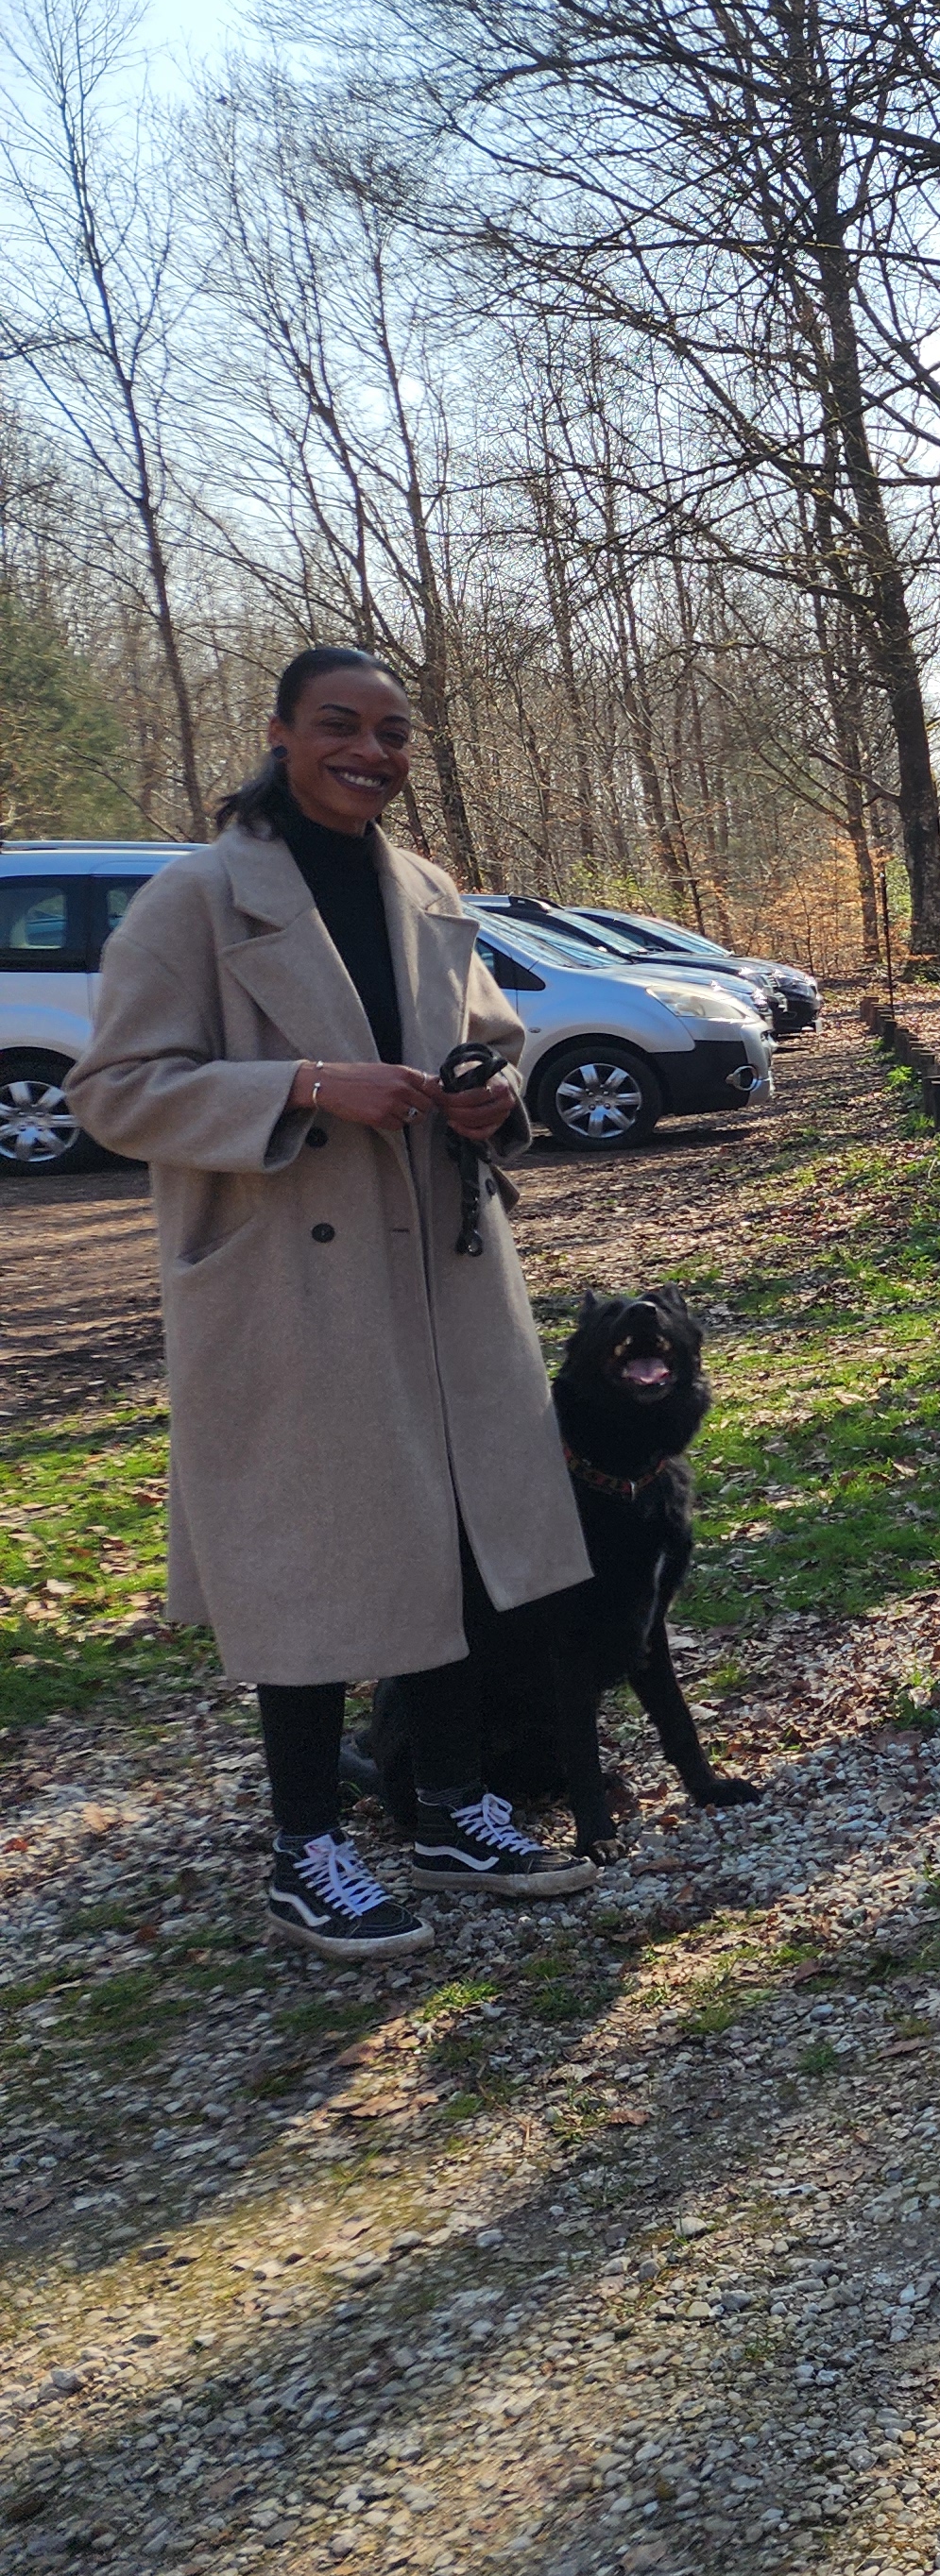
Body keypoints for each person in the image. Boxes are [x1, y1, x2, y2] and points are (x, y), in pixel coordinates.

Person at [69, 646, 596, 1960]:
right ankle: (306, 1848)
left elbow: (493, 1040)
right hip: (289, 1288)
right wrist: (303, 1084)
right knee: (311, 1558)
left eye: (392, 732)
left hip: (443, 1272)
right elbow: (115, 1090)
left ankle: (447, 1805)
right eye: (339, 726)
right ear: (282, 735)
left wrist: (491, 1098)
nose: (369, 750)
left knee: (459, 1535)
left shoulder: (423, 887)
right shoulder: (196, 897)